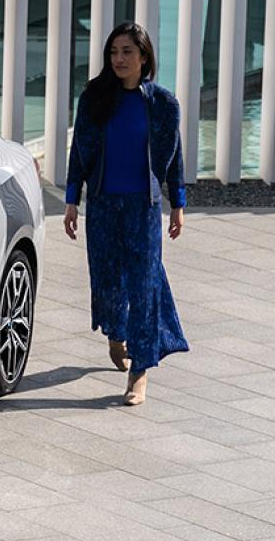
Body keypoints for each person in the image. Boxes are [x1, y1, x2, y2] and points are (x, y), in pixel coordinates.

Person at [63, 21, 189, 406]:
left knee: (144, 285)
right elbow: (79, 151)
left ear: (144, 57)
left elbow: (174, 157)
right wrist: (71, 200)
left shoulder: (163, 104)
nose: (119, 59)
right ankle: (116, 333)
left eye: (127, 52)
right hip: (102, 204)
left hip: (143, 207)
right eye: (114, 52)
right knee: (107, 280)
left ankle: (140, 371)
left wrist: (178, 204)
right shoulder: (94, 97)